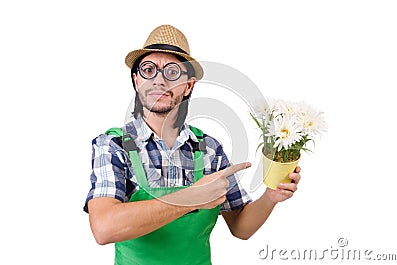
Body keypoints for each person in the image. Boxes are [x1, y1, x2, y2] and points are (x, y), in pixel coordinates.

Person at [83, 24, 301, 265]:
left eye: (172, 72)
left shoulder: (210, 149)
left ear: (189, 85)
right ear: (136, 80)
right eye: (148, 70)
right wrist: (192, 198)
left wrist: (271, 196)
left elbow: (241, 228)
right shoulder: (113, 145)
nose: (158, 80)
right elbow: (104, 228)